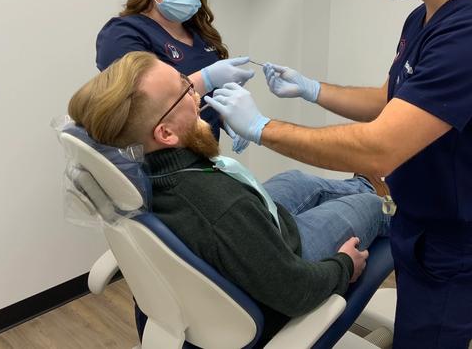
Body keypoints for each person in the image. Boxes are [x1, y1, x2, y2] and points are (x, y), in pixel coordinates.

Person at [204, 0, 472, 348]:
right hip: (414, 224)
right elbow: (389, 100)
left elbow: (379, 150)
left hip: (455, 244)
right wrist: (313, 89)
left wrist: (261, 127)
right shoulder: (424, 18)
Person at [67, 51, 392, 346]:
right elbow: (295, 292)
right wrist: (343, 265)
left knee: (295, 180)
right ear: (165, 134)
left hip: (250, 237)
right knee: (373, 206)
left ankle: (363, 183)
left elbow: (229, 211)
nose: (196, 94)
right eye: (184, 90)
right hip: (286, 267)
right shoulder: (220, 208)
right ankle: (378, 197)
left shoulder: (143, 170)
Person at [95, 0, 253, 149]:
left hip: (203, 157)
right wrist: (207, 78)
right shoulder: (123, 34)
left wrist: (228, 117)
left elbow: (206, 101)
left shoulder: (200, 33)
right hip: (157, 163)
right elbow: (139, 106)